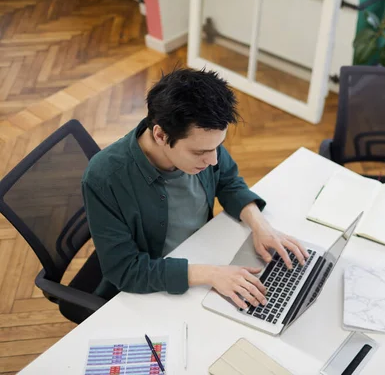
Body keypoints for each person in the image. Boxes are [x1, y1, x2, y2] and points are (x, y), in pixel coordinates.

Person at [82, 68, 308, 310]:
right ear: (160, 135)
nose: (213, 160)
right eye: (200, 152)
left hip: (205, 251)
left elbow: (228, 181)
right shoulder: (104, 178)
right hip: (161, 285)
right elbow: (125, 271)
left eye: (218, 147)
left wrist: (260, 225)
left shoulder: (204, 141)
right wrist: (211, 274)